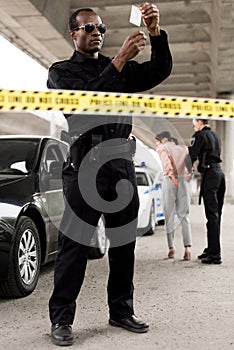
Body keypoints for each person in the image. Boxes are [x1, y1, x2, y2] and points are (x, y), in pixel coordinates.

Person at [47, 4, 172, 346]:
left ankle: (121, 311)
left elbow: (159, 70)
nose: (98, 33)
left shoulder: (120, 70)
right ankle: (61, 320)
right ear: (73, 33)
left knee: (123, 245)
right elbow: (80, 108)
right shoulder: (61, 72)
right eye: (89, 28)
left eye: (101, 28)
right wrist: (117, 62)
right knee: (73, 247)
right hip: (84, 164)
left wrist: (155, 32)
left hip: (120, 167)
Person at [188, 119, 226, 264]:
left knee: (212, 216)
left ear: (199, 122)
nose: (193, 125)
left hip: (210, 175)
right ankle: (212, 249)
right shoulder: (215, 136)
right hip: (219, 175)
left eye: (194, 122)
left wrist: (187, 169)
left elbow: (192, 154)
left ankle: (215, 254)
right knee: (216, 215)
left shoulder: (199, 135)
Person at [155, 131, 192, 260]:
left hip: (170, 181)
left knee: (169, 214)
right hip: (184, 181)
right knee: (184, 216)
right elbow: (189, 164)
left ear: (164, 139)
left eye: (157, 141)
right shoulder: (183, 149)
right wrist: (189, 175)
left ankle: (171, 248)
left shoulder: (162, 148)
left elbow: (166, 163)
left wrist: (171, 176)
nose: (156, 144)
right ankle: (187, 248)